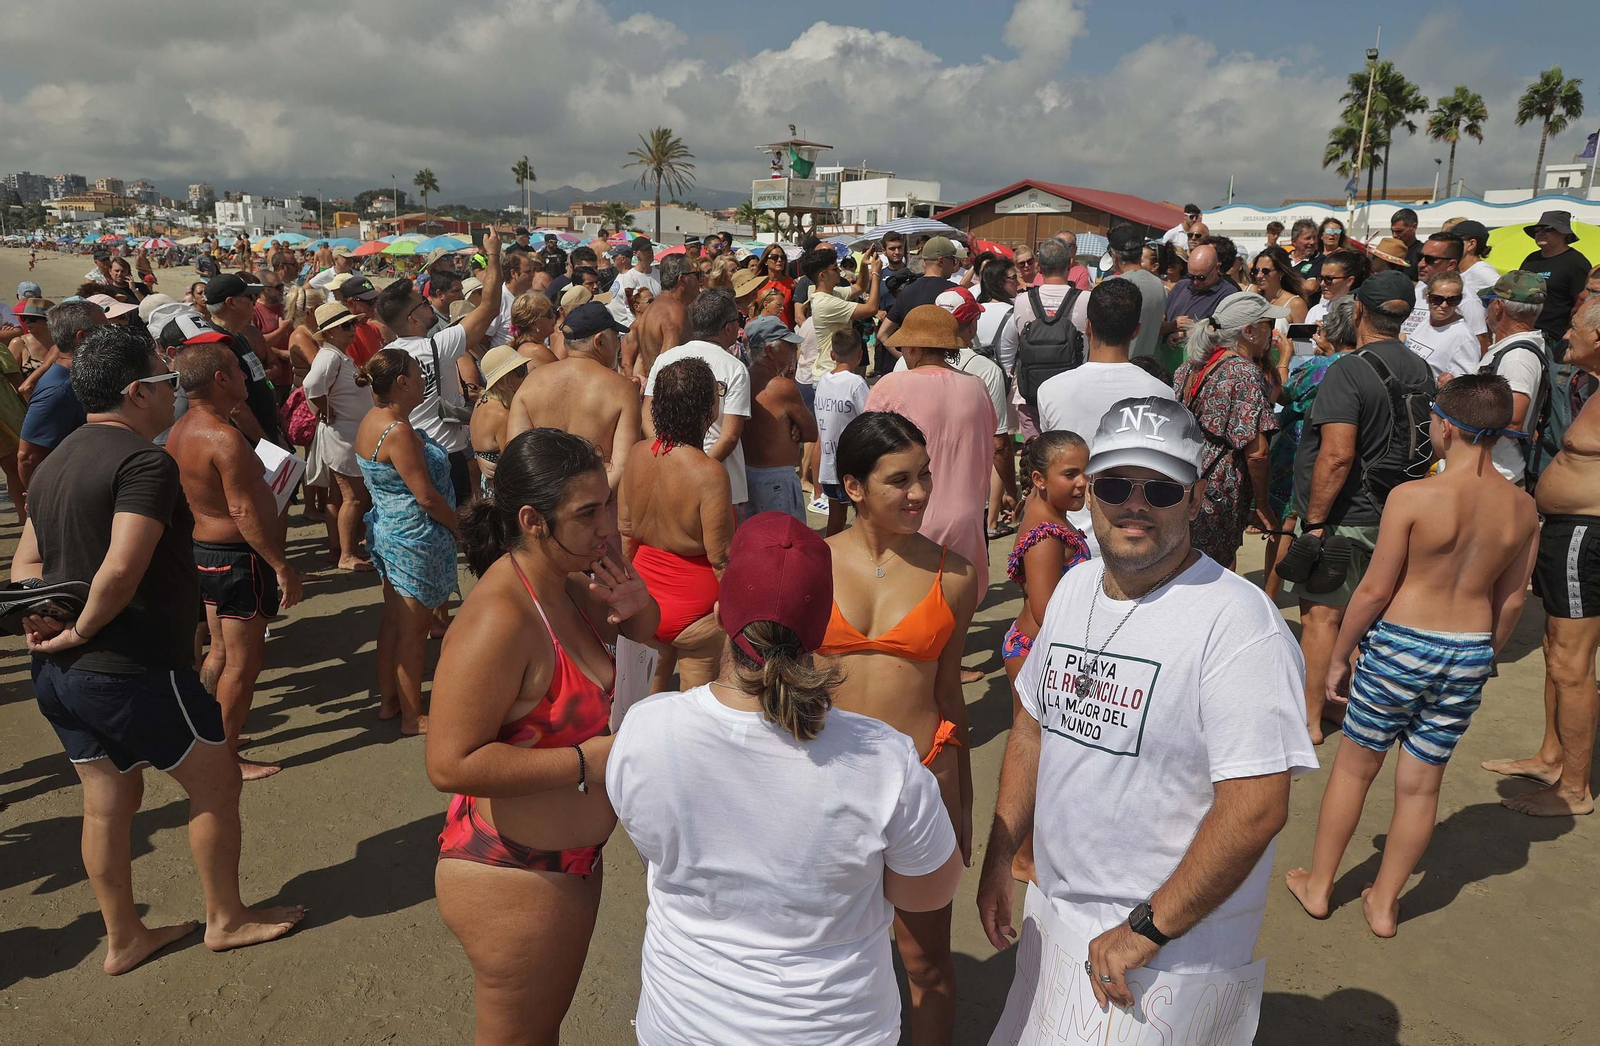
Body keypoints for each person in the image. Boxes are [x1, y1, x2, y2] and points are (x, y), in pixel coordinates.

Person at [978, 395, 1316, 1004]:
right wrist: (1002, 858)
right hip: (1056, 916)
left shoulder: (1238, 625)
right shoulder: (1075, 586)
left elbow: (1259, 805)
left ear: (1194, 497)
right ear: (1090, 493)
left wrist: (1148, 927)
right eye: (1115, 485)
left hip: (1169, 944)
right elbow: (1031, 728)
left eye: (1161, 490)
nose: (1135, 504)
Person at [14, 324, 305, 974]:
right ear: (137, 391)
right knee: (216, 782)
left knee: (107, 799)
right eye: (165, 381)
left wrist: (49, 623)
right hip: (132, 665)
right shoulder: (143, 461)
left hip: (61, 672)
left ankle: (125, 936)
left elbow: (26, 561)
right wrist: (87, 627)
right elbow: (122, 566)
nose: (172, 391)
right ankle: (226, 918)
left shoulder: (60, 456)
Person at [608, 510, 961, 1044]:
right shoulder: (884, 760)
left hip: (683, 1023)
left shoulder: (645, 729)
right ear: (821, 629)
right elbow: (929, 895)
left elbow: (656, 849)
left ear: (722, 609)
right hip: (835, 1029)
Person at [428, 428, 659, 1046]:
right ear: (532, 520)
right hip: (513, 875)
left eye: (607, 504)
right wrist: (585, 760)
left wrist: (639, 613)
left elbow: (639, 666)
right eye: (588, 514)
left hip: (567, 866)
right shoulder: (498, 619)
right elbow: (449, 763)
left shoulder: (572, 585)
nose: (609, 528)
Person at [1288, 372, 1537, 937]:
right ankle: (1384, 904)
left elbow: (1374, 589)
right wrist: (1482, 657)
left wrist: (1340, 653)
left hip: (1402, 641)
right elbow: (1512, 601)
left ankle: (1321, 885)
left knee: (1355, 768)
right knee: (1423, 783)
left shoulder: (1413, 496)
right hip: (1468, 648)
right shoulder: (1522, 509)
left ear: (1445, 427)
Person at [817, 411, 980, 1045]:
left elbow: (949, 696)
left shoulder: (957, 575)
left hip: (920, 782)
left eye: (924, 476)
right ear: (853, 487)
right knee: (830, 953)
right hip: (826, 784)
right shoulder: (811, 561)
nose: (919, 493)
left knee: (926, 963)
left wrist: (962, 801)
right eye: (899, 480)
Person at [1288, 272, 1437, 743]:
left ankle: (1309, 719)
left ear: (1358, 313)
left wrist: (1314, 522)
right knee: (1364, 615)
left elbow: (1336, 455)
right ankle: (1339, 704)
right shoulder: (1421, 368)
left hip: (1347, 515)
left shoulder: (1348, 369)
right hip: (1396, 510)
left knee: (1321, 618)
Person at [1481, 297, 1600, 815]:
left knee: (1571, 663)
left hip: (1585, 535)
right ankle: (1553, 757)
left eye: (1573, 327)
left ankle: (1574, 789)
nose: (1563, 335)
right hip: (1567, 531)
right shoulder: (1591, 387)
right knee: (1556, 651)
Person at [164, 344, 304, 780]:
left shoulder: (181, 429)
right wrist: (280, 566)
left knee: (220, 651)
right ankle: (224, 757)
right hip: (236, 557)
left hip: (204, 553)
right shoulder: (221, 438)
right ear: (221, 380)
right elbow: (244, 512)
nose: (248, 377)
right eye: (240, 371)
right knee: (244, 663)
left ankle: (211, 735)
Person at [355, 349, 462, 734]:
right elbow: (427, 497)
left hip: (392, 533)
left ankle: (390, 702)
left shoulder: (377, 419)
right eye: (419, 374)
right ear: (401, 382)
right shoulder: (398, 431)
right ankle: (412, 717)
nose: (423, 381)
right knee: (414, 633)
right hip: (413, 540)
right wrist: (460, 529)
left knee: (394, 625)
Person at [620, 357, 735, 692]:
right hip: (698, 612)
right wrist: (734, 608)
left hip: (645, 599)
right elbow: (722, 558)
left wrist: (627, 591)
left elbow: (627, 534)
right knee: (696, 714)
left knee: (642, 704)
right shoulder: (709, 473)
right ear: (707, 409)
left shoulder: (638, 455)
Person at [869, 305, 997, 597]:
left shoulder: (892, 385)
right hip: (967, 517)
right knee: (956, 607)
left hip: (910, 513)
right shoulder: (976, 386)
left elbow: (868, 453)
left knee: (910, 611)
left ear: (913, 347)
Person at [1035, 279, 1171, 554]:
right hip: (1133, 537)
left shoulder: (1050, 390)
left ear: (1087, 326)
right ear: (1136, 331)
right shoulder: (1163, 394)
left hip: (1067, 538)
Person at [374, 229, 503, 505]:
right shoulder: (438, 346)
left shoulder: (383, 358)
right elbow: (490, 306)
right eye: (423, 303)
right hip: (446, 455)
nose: (429, 304)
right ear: (413, 319)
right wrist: (493, 254)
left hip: (409, 454)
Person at [1172, 292, 1284, 569]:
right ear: (1249, 331)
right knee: (1214, 572)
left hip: (1184, 482)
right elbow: (1257, 454)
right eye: (1269, 323)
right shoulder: (1243, 373)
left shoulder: (1188, 368)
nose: (1274, 330)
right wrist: (1261, 505)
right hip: (1218, 492)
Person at [505, 302, 641, 507]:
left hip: (547, 508)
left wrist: (553, 512)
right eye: (617, 337)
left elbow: (517, 457)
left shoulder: (531, 383)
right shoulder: (622, 389)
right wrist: (589, 511)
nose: (619, 344)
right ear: (600, 341)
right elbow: (622, 466)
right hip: (599, 507)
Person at [1265, 295, 1352, 600]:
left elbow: (1282, 394)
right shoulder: (1361, 363)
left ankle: (1269, 596)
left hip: (1302, 446)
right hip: (1339, 449)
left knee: (1285, 525)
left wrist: (1285, 357)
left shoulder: (1321, 366)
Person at [1000, 430, 1091, 719]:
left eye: (1087, 472)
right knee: (1034, 744)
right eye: (1070, 474)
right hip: (1037, 652)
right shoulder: (1046, 537)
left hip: (1045, 649)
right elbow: (1044, 612)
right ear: (1040, 480)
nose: (1082, 483)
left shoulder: (1044, 509)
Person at [643, 290, 753, 515]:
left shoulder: (665, 359)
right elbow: (730, 435)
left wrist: (667, 458)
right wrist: (698, 469)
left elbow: (647, 414)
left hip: (667, 470)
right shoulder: (734, 367)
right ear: (729, 328)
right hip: (720, 478)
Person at [302, 300, 374, 571]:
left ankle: (339, 548)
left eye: (353, 323)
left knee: (338, 497)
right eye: (346, 326)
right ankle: (347, 553)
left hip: (344, 434)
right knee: (354, 497)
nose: (352, 329)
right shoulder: (330, 356)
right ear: (330, 332)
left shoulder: (337, 354)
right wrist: (326, 410)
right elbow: (310, 386)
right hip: (342, 436)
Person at [1474, 271, 1552, 487]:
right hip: (1491, 472)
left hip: (1496, 475)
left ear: (1498, 306)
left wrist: (1457, 401)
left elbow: (1513, 419)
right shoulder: (1515, 350)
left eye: (1486, 302)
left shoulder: (1517, 357)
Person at [736, 316, 815, 521]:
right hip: (776, 481)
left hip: (746, 475)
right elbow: (811, 432)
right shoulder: (780, 386)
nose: (792, 351)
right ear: (770, 350)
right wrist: (795, 427)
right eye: (787, 346)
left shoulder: (742, 378)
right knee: (785, 544)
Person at [18, 300, 101, 487]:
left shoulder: (80, 379)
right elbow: (28, 457)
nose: (111, 336)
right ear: (82, 337)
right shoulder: (59, 390)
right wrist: (38, 501)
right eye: (104, 330)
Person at [201, 274, 280, 444]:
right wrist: (269, 444)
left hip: (265, 433)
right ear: (231, 303)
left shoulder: (237, 335)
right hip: (251, 443)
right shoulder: (218, 344)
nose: (255, 301)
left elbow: (258, 379)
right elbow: (236, 408)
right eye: (250, 297)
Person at [814, 328, 871, 536]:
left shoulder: (823, 381)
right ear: (860, 355)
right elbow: (870, 417)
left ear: (832, 354)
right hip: (850, 464)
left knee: (835, 519)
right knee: (864, 515)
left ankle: (830, 557)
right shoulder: (856, 383)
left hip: (828, 466)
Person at [1519, 210, 1593, 356]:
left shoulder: (1576, 262)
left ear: (1564, 234)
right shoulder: (1531, 259)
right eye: (1537, 229)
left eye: (1548, 229)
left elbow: (1583, 303)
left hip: (1555, 340)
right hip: (1525, 333)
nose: (1540, 232)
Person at [1403, 232, 1490, 354]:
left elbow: (1480, 346)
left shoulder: (1467, 300)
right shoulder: (1421, 287)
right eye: (1419, 257)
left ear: (1451, 264)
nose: (1421, 264)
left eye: (1430, 259)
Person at [877, 236, 962, 346]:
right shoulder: (956, 292)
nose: (955, 265)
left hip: (914, 356)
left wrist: (903, 359)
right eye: (953, 261)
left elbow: (882, 334)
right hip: (946, 359)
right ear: (941, 261)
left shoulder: (906, 291)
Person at [469, 346, 530, 496]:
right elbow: (514, 459)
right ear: (506, 378)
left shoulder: (483, 401)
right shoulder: (502, 414)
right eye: (520, 370)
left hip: (489, 485)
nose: (526, 374)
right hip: (502, 488)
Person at [626, 254, 697, 382]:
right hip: (669, 393)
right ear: (682, 280)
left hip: (654, 390)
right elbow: (668, 364)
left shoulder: (651, 310)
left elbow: (642, 361)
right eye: (696, 274)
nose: (699, 280)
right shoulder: (675, 311)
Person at [1405, 270, 1483, 380]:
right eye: (1437, 299)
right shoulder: (1426, 321)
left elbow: (1464, 386)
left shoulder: (1464, 337)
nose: (1444, 305)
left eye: (1452, 300)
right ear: (1427, 297)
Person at [1106, 224, 1168, 360]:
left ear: (1115, 256)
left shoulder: (1111, 285)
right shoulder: (1159, 285)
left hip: (1118, 369)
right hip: (1147, 369)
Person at [606, 237, 661, 331]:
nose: (650, 252)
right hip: (638, 328)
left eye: (650, 249)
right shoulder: (630, 277)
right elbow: (631, 309)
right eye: (645, 250)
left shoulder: (658, 274)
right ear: (635, 253)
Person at [1451, 219, 1500, 299]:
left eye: (1454, 240)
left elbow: (1508, 294)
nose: (1448, 244)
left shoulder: (1481, 270)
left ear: (1471, 244)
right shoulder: (1455, 269)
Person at [1390, 207, 1424, 278]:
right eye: (1392, 231)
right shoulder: (1389, 251)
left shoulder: (1422, 253)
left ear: (1414, 227)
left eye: (1399, 231)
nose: (1394, 235)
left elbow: (1423, 285)